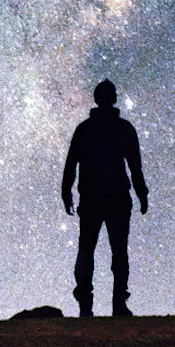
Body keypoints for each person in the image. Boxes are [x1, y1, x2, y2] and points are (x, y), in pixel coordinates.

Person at [62, 78, 148, 317]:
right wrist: (141, 193)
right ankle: (115, 303)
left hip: (97, 198)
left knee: (91, 251)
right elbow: (135, 167)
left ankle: (88, 305)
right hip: (112, 198)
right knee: (113, 252)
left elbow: (71, 164)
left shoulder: (86, 129)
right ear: (113, 98)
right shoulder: (121, 128)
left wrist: (66, 191)